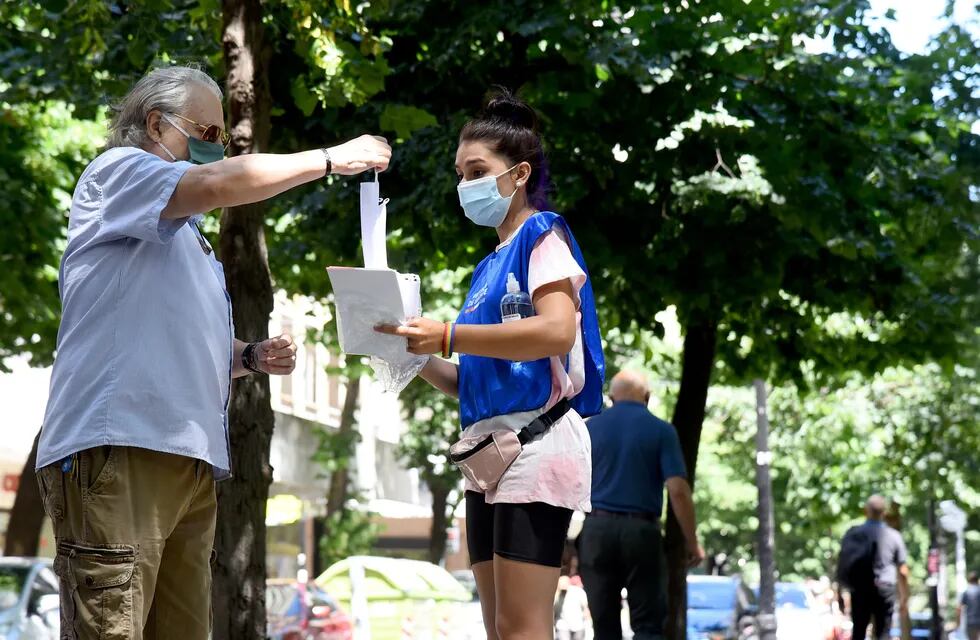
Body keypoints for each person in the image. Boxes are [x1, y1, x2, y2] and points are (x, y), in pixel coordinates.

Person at [34, 65, 391, 639]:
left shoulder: (186, 237)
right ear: (156, 123)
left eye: (222, 138)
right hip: (122, 447)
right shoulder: (121, 172)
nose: (216, 149)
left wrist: (247, 357)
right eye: (207, 133)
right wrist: (329, 158)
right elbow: (225, 182)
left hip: (184, 456)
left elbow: (174, 337)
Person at [377, 88, 605, 639]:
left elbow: (556, 329)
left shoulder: (542, 234)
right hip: (487, 455)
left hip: (536, 446)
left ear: (520, 173)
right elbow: (471, 382)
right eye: (459, 173)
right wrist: (410, 349)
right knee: (500, 629)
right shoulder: (487, 267)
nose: (464, 185)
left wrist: (449, 334)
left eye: (477, 170)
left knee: (521, 628)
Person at [578, 370, 705, 640]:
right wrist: (691, 541)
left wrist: (565, 544)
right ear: (647, 398)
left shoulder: (588, 429)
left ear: (611, 398)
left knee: (604, 626)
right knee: (648, 626)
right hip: (641, 532)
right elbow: (678, 491)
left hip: (596, 531)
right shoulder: (661, 430)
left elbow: (567, 486)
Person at [837, 495, 910, 640]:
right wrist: (904, 596)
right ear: (884, 512)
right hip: (885, 589)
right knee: (883, 632)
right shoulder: (893, 536)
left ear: (866, 511)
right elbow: (902, 570)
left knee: (858, 630)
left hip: (860, 588)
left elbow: (842, 561)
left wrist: (839, 590)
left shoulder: (853, 533)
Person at [957, 571, 980, 640]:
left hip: (970, 622)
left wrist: (958, 622)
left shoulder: (966, 592)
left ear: (969, 580)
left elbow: (959, 608)